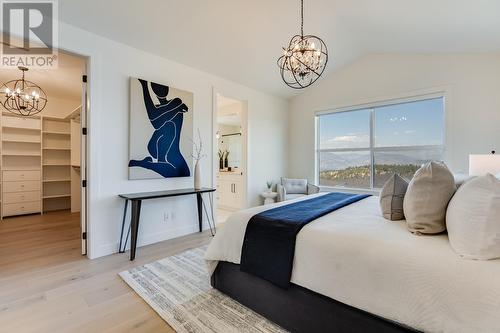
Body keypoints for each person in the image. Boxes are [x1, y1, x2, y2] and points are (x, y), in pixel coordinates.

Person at [129, 79, 190, 178]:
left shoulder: (176, 101)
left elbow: (156, 118)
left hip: (174, 152)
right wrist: (144, 87)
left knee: (185, 174)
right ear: (154, 91)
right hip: (156, 145)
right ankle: (159, 160)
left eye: (163, 87)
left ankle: (145, 163)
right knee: (169, 127)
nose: (161, 89)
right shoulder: (159, 110)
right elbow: (155, 123)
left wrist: (176, 109)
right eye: (157, 87)